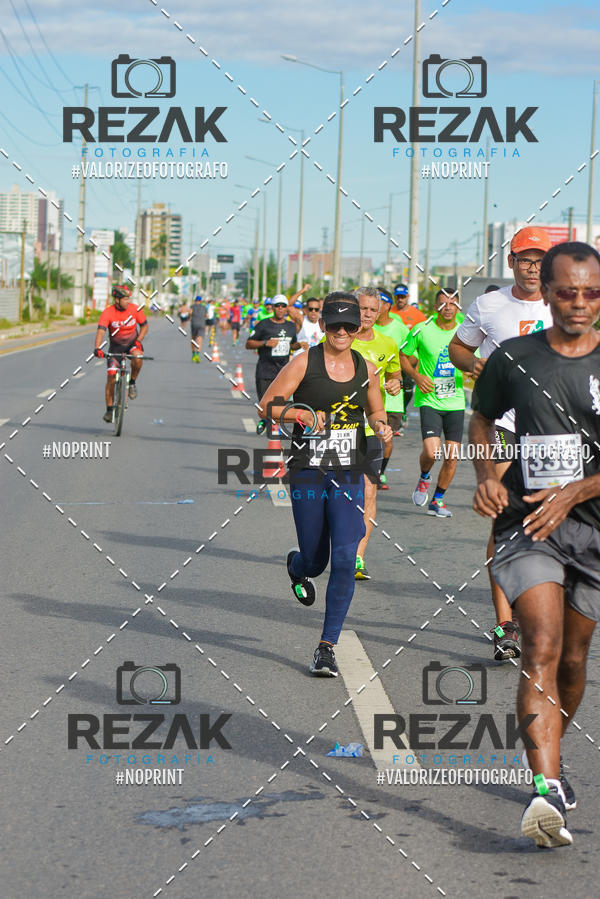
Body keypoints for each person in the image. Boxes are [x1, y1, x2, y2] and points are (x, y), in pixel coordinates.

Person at [468, 240, 600, 848]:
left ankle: (553, 755)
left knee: (573, 661)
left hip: (592, 528)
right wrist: (487, 475)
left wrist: (577, 491)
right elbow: (481, 418)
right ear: (545, 293)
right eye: (567, 292)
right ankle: (544, 789)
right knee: (541, 645)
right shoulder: (515, 358)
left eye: (591, 293)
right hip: (528, 524)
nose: (580, 303)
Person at [259, 292, 392, 675]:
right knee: (316, 561)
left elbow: (376, 408)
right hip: (309, 470)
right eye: (335, 325)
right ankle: (297, 564)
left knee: (346, 558)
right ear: (323, 325)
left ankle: (326, 646)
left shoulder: (366, 367)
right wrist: (300, 414)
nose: (342, 332)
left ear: (358, 327)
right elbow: (267, 405)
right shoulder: (305, 362)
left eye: (349, 326)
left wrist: (381, 425)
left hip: (349, 470)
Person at [449, 225, 553, 660]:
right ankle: (505, 624)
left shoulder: (565, 302)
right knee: (506, 522)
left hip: (554, 431)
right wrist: (476, 366)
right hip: (504, 425)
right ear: (511, 261)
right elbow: (458, 348)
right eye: (525, 259)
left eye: (540, 260)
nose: (533, 268)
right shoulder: (489, 305)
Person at [352, 286, 402, 578]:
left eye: (373, 309)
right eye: (363, 308)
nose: (368, 314)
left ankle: (357, 557)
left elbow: (394, 374)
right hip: (339, 429)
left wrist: (395, 384)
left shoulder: (388, 344)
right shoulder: (337, 339)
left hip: (372, 427)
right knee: (338, 493)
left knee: (369, 491)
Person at [400, 291, 465, 518]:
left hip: (456, 402)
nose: (448, 307)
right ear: (436, 306)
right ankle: (424, 476)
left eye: (452, 303)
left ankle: (438, 500)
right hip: (429, 399)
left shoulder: (466, 331)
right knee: (432, 451)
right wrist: (416, 376)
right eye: (443, 303)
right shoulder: (422, 329)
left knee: (452, 455)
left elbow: (476, 358)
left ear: (458, 307)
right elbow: (403, 355)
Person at [94, 285, 148, 422]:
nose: (128, 301)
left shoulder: (135, 309)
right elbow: (101, 331)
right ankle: (109, 409)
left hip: (132, 344)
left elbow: (144, 326)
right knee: (111, 378)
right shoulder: (108, 312)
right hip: (116, 348)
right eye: (125, 299)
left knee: (138, 357)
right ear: (117, 300)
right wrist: (97, 348)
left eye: (128, 298)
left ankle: (132, 383)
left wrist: (139, 340)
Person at [245, 295, 300, 401]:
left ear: (286, 308)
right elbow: (248, 344)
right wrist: (265, 343)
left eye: (283, 306)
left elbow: (291, 345)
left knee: (280, 407)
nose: (280, 308)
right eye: (277, 305)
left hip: (283, 374)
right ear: (273, 307)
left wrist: (298, 345)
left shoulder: (291, 326)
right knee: (265, 406)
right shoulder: (263, 324)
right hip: (265, 373)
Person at [374, 289, 410, 440]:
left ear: (387, 305)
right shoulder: (365, 328)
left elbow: (412, 357)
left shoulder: (400, 329)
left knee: (386, 442)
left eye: (378, 303)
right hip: (369, 397)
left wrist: (395, 372)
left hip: (392, 398)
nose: (374, 307)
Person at [190, 295, 206, 362]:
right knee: (199, 339)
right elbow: (207, 315)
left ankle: (193, 354)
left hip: (194, 324)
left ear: (195, 300)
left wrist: (190, 317)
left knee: (193, 339)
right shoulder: (204, 307)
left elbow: (190, 313)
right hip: (201, 324)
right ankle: (197, 354)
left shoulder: (192, 306)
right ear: (201, 301)